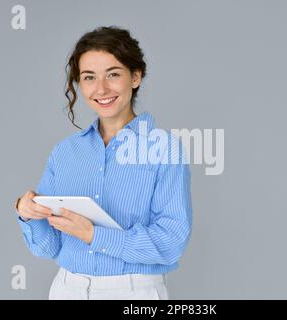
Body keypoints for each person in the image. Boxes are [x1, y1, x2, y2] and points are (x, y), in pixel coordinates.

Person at [13, 26, 192, 300]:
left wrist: (95, 236)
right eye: (89, 77)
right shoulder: (65, 152)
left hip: (133, 293)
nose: (101, 89)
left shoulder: (163, 149)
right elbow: (48, 248)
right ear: (79, 84)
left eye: (113, 74)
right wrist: (27, 213)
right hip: (66, 289)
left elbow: (171, 242)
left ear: (135, 76)